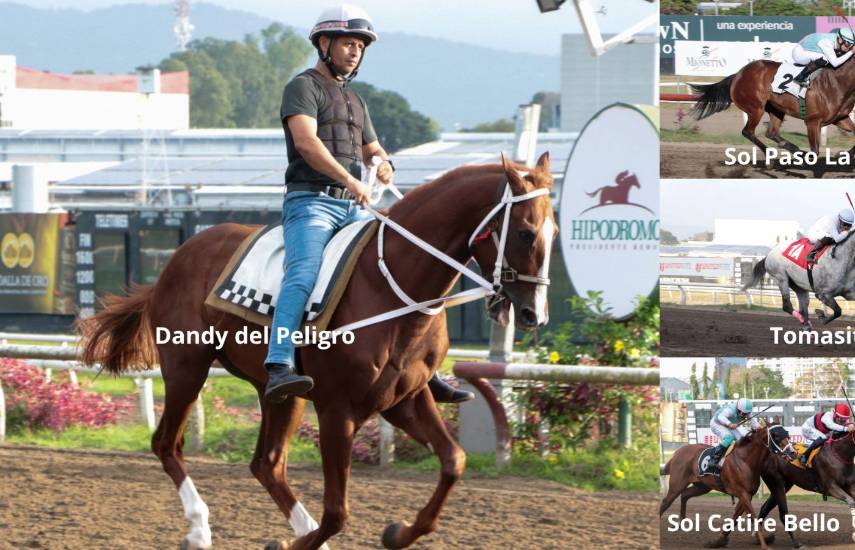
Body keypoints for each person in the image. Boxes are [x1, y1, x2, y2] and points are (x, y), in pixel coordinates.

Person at [264, 4, 472, 405]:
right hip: (312, 204)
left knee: (403, 268)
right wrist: (349, 179)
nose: (355, 51)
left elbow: (373, 149)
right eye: (347, 43)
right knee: (303, 276)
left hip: (354, 207)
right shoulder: (301, 87)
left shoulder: (356, 100)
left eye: (360, 45)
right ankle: (278, 365)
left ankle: (422, 369)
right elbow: (307, 143)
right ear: (324, 44)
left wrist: (383, 164)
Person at [708, 398, 759, 468]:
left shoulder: (746, 411)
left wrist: (758, 428)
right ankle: (713, 461)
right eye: (744, 414)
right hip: (717, 423)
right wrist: (730, 424)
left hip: (728, 424)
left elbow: (754, 422)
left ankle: (738, 460)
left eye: (747, 414)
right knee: (729, 438)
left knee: (742, 439)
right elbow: (720, 417)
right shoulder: (730, 410)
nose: (745, 416)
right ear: (738, 410)